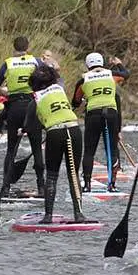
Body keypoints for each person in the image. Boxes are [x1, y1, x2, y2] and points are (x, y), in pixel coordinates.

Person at [27, 64, 87, 224]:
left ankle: (48, 216)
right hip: (74, 129)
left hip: (55, 133)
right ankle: (79, 214)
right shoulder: (59, 89)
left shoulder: (36, 98)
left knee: (52, 175)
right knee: (73, 173)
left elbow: (31, 126)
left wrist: (24, 130)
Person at [0, 36, 44, 196]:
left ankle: (5, 187)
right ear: (27, 47)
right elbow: (49, 80)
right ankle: (42, 187)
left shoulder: (8, 63)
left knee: (11, 149)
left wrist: (7, 94)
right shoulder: (36, 61)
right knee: (36, 148)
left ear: (14, 47)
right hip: (32, 107)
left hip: (14, 107)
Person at [71, 52, 122, 191]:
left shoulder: (83, 80)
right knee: (111, 149)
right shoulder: (112, 74)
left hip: (93, 114)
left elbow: (75, 101)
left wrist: (82, 99)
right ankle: (111, 184)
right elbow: (126, 73)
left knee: (89, 151)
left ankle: (87, 185)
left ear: (88, 64)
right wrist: (118, 63)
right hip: (111, 114)